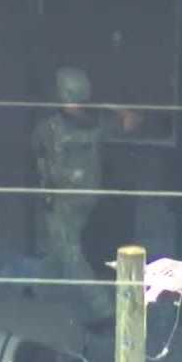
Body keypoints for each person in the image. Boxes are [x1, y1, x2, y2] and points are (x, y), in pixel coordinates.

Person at [31, 66, 140, 324]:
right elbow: (132, 120)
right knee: (59, 249)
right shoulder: (96, 124)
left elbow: (39, 157)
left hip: (62, 201)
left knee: (71, 255)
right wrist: (108, 106)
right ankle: (38, 293)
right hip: (86, 198)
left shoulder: (49, 127)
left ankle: (104, 310)